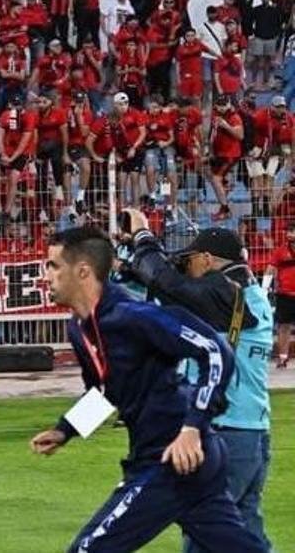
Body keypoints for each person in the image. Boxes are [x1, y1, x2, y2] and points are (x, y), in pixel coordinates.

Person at [32, 225, 266, 553]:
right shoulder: (80, 328)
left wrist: (192, 428)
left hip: (172, 458)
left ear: (82, 271)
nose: (46, 275)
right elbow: (106, 392)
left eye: (53, 266)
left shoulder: (133, 316)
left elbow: (216, 351)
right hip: (173, 459)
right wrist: (65, 430)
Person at [120, 216, 273, 551]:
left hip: (226, 432)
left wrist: (143, 235)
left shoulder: (227, 295)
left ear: (207, 259)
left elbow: (169, 284)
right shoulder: (251, 297)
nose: (186, 269)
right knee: (246, 537)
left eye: (189, 260)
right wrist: (129, 267)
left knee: (204, 535)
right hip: (252, 435)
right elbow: (167, 292)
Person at [266, 221, 295, 368]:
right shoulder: (280, 251)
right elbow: (270, 269)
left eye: (293, 231)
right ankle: (283, 358)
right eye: (289, 231)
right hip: (285, 295)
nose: (289, 234)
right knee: (284, 326)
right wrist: (264, 289)